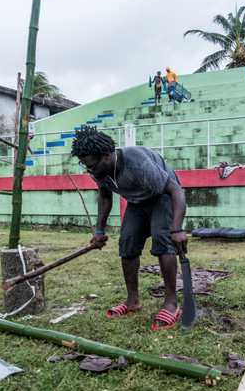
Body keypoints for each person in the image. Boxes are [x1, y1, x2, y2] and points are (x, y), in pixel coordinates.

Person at [70, 126, 188, 330]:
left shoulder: (138, 163)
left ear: (106, 156)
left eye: (91, 166)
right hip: (136, 201)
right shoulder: (99, 170)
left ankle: (171, 303)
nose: (89, 171)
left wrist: (176, 230)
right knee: (127, 243)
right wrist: (99, 231)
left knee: (163, 240)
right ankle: (132, 300)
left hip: (162, 197)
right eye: (85, 166)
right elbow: (105, 196)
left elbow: (175, 190)